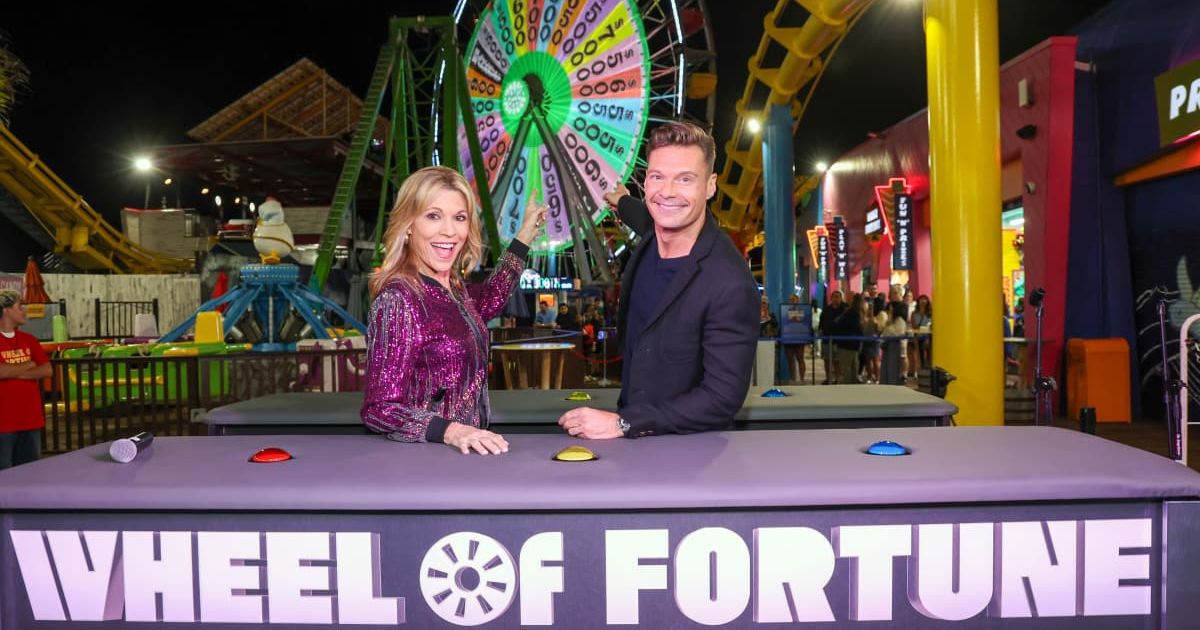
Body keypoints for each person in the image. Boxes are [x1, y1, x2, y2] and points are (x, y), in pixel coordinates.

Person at [558, 121, 759, 438]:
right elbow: (643, 213)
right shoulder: (654, 232)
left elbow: (722, 398)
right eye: (657, 177)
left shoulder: (729, 283)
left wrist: (624, 423)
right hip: (633, 448)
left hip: (691, 457)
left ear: (710, 185)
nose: (667, 192)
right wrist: (621, 200)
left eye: (685, 179)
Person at [361, 166, 546, 455]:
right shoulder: (400, 300)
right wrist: (450, 431)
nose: (449, 231)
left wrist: (523, 237)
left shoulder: (452, 288)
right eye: (433, 216)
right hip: (429, 462)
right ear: (409, 225)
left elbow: (489, 300)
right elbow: (380, 409)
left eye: (459, 218)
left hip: (468, 454)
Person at [0, 290, 51, 469]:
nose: (24, 311)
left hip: (30, 419)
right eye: (19, 307)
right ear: (6, 310)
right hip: (3, 423)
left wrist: (11, 371)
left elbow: (46, 369)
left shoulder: (29, 340)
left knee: (30, 473)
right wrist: (28, 365)